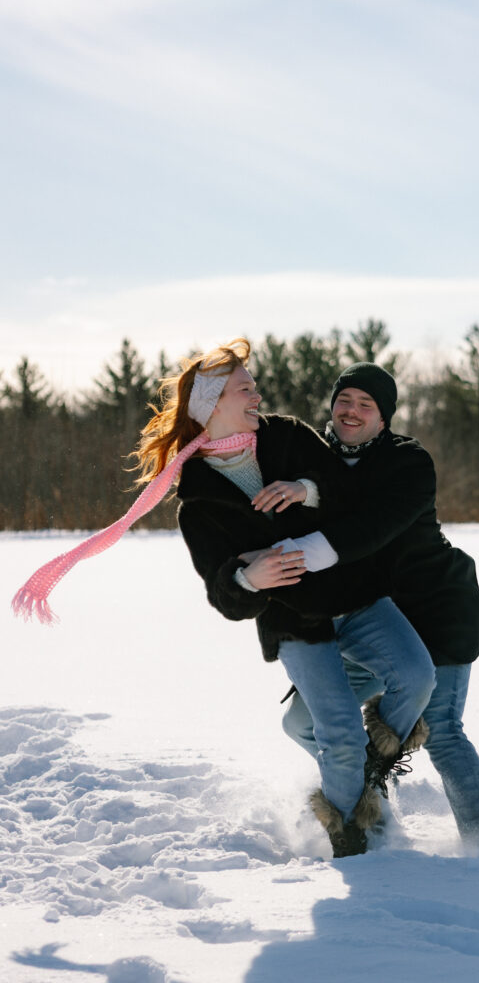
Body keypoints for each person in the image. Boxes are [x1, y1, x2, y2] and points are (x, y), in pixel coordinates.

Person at [11, 340, 435, 860]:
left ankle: (373, 768)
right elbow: (224, 594)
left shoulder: (289, 436)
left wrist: (307, 488)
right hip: (296, 622)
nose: (258, 394)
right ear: (211, 406)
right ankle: (352, 845)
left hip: (356, 594)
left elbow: (352, 495)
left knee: (418, 675)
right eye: (245, 389)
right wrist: (249, 577)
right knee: (341, 737)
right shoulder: (198, 503)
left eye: (254, 386)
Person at [280, 362, 479, 850]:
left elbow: (369, 523)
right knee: (301, 722)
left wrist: (309, 492)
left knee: (442, 730)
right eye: (345, 400)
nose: (352, 411)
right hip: (371, 618)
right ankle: (368, 798)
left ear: (385, 418)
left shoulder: (407, 460)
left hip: (434, 610)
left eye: (366, 404)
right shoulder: (313, 457)